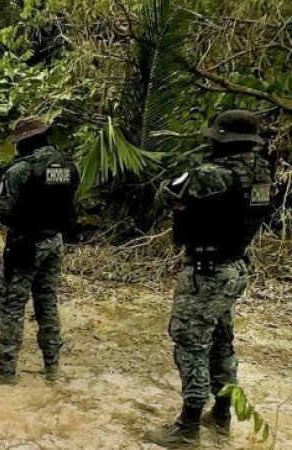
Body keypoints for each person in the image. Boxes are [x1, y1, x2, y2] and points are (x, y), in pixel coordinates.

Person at [145, 110, 274, 448]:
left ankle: (188, 426)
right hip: (234, 267)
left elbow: (165, 196)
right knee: (221, 341)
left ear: (221, 139)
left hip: (206, 271)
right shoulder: (260, 172)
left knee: (191, 342)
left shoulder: (212, 174)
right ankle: (221, 413)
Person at [0, 116, 79, 385]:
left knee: (12, 306)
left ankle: (6, 369)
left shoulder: (21, 170)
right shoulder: (67, 165)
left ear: (25, 141)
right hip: (54, 242)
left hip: (25, 246)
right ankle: (52, 366)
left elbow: (3, 210)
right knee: (47, 304)